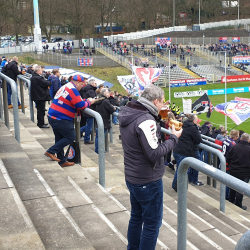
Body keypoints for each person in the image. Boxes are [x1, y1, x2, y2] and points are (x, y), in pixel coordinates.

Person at [118, 85, 182, 249]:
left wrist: (160, 124)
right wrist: (173, 138)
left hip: (133, 176)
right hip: (147, 180)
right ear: (155, 101)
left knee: (136, 217)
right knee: (152, 224)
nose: (163, 106)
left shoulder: (130, 111)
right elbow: (154, 153)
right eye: (162, 103)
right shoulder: (145, 120)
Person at [45, 75, 95, 167]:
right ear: (78, 83)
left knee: (59, 138)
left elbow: (76, 101)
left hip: (53, 116)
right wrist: (90, 102)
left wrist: (84, 100)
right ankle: (51, 151)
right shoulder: (73, 89)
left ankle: (62, 161)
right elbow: (80, 105)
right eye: (82, 84)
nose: (82, 86)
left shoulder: (67, 86)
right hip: (62, 118)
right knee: (71, 137)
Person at [172, 114, 203, 191]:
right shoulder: (192, 128)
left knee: (181, 169)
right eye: (196, 120)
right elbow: (198, 140)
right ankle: (178, 187)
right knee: (182, 170)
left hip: (178, 149)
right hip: (183, 151)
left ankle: (176, 186)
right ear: (194, 121)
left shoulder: (185, 124)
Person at [227, 133, 250, 210]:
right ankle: (238, 204)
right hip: (245, 173)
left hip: (233, 170)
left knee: (233, 186)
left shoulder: (234, 147)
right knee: (241, 189)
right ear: (248, 140)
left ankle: (231, 200)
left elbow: (228, 158)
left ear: (241, 139)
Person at [95, 88, 116, 154]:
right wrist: (114, 108)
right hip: (104, 121)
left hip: (99, 120)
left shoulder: (99, 99)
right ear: (104, 94)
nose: (109, 93)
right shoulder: (105, 101)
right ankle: (100, 150)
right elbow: (111, 109)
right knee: (101, 137)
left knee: (98, 136)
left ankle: (97, 150)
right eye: (107, 92)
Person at [222, 129, 239, 200]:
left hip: (223, 160)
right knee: (228, 181)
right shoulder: (233, 144)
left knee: (225, 180)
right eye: (237, 136)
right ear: (235, 137)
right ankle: (226, 195)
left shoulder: (225, 140)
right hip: (228, 163)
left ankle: (225, 194)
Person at [79, 79, 97, 144]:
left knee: (89, 125)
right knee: (89, 126)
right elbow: (94, 101)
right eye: (95, 83)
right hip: (90, 109)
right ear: (91, 84)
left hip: (86, 109)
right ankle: (86, 139)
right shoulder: (91, 91)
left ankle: (77, 132)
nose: (96, 85)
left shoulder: (85, 89)